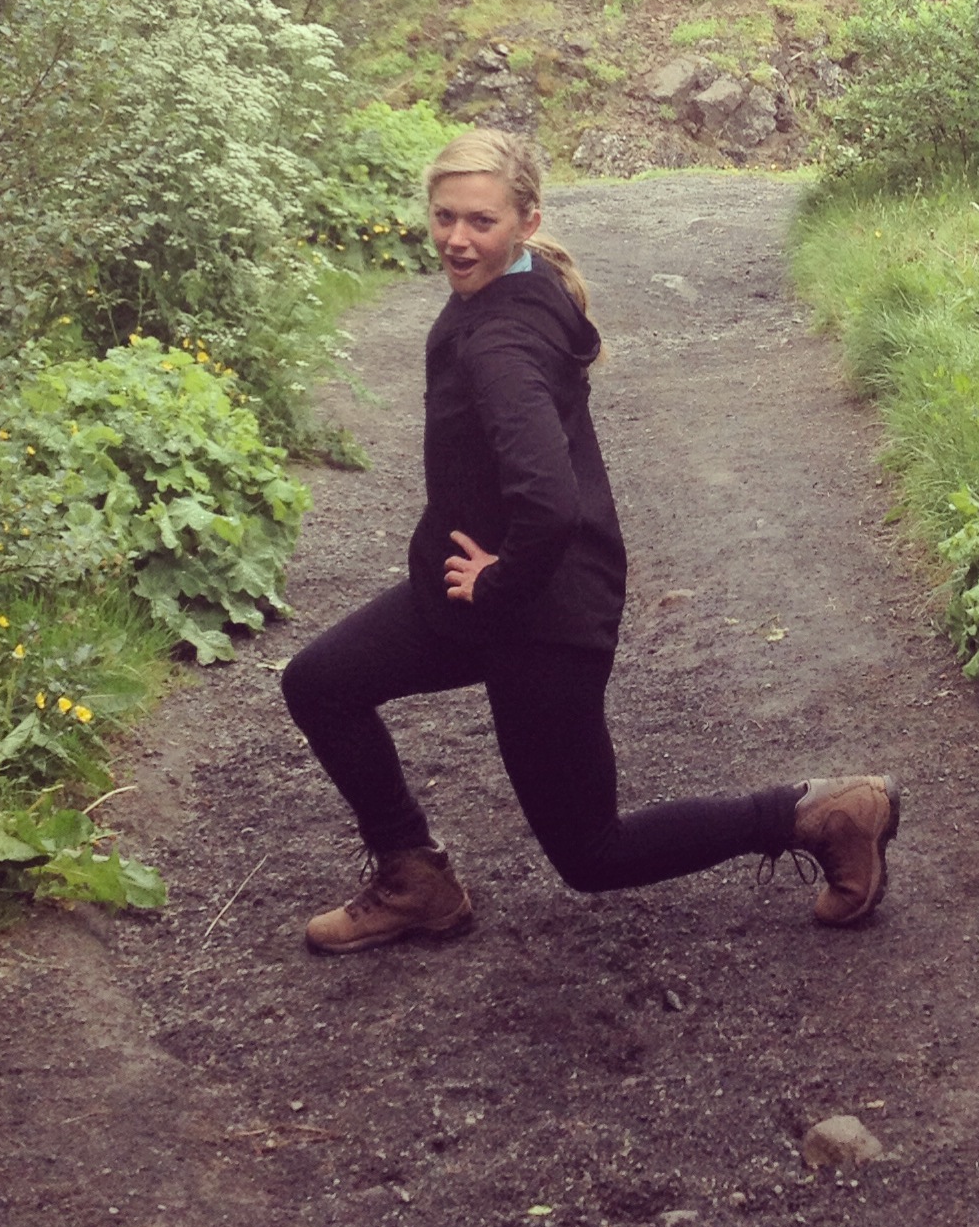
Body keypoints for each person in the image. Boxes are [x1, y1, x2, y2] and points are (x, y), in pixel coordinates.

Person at [279, 127, 900, 953]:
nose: (457, 239)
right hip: (467, 598)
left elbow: (550, 503)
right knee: (321, 683)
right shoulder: (516, 283)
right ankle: (416, 879)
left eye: (482, 222)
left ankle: (825, 814)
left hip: (541, 613)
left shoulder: (499, 342)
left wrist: (499, 583)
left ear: (527, 222)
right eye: (444, 216)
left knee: (592, 853)